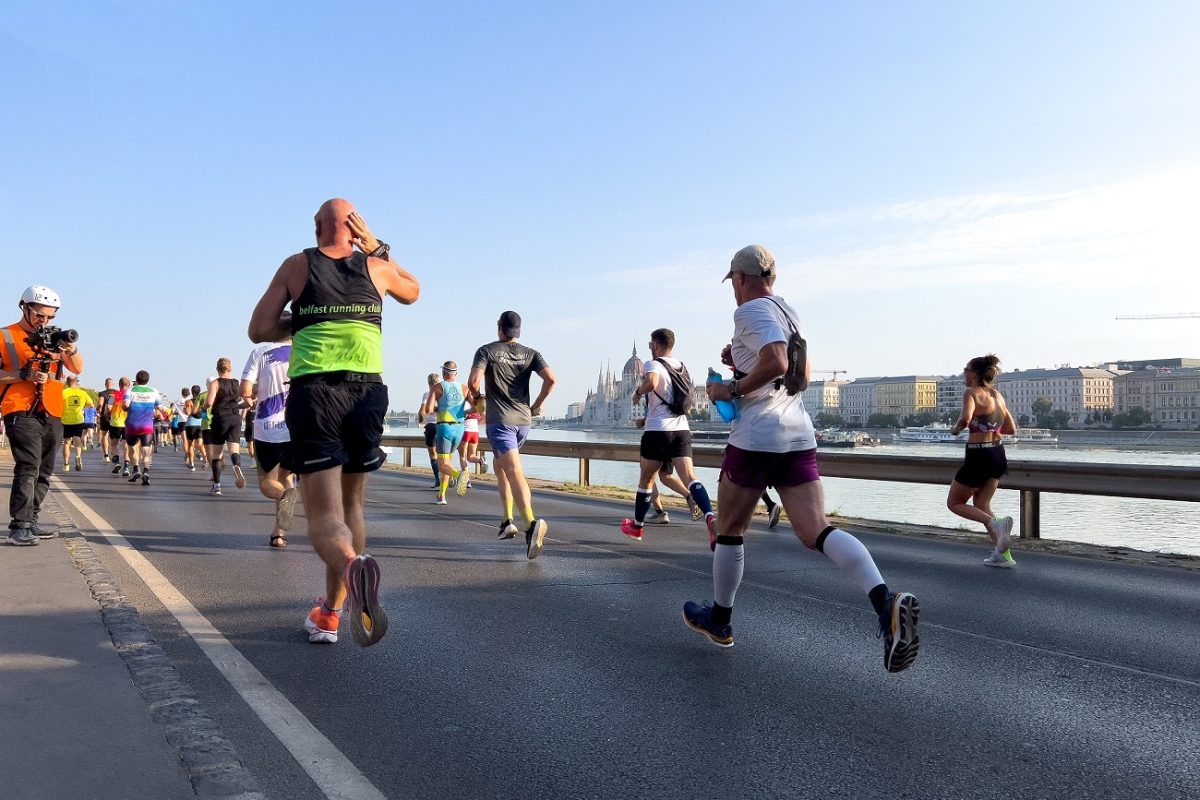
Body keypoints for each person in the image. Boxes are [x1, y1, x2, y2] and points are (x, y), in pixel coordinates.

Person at [687, 245, 920, 673]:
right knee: (816, 531)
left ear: (740, 278)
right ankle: (884, 601)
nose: (733, 289)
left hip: (756, 436)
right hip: (797, 434)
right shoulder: (788, 312)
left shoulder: (749, 310)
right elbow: (799, 376)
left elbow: (776, 361)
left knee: (730, 528)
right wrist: (742, 363)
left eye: (733, 282)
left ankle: (719, 619)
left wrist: (729, 389)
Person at [248, 198, 419, 646]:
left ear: (316, 226)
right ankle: (330, 615)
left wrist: (303, 320)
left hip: (316, 393)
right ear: (355, 228)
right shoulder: (378, 267)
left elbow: (259, 328)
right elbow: (414, 291)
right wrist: (378, 247)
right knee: (352, 506)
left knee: (324, 516)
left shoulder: (296, 265)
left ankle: (351, 568)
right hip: (368, 393)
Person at [467, 310, 556, 558]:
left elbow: (473, 382)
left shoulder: (486, 351)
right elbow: (551, 379)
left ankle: (530, 524)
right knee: (501, 467)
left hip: (501, 422)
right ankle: (507, 521)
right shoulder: (531, 353)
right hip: (523, 422)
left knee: (514, 471)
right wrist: (536, 404)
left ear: (499, 327)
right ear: (519, 330)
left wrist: (477, 399)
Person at [0, 285, 84, 544]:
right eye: (39, 315)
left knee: (45, 470)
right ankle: (20, 527)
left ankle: (32, 520)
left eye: (50, 317)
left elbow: (77, 369)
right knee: (28, 466)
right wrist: (24, 375)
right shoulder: (5, 336)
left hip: (52, 409)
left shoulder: (56, 339)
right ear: (24, 308)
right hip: (19, 407)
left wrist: (70, 348)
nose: (44, 321)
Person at [620, 328, 715, 542]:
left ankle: (637, 527)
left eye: (650, 345)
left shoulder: (652, 364)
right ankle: (710, 517)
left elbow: (652, 383)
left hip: (657, 432)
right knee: (690, 477)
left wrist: (637, 393)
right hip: (681, 430)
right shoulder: (682, 366)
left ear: (655, 345)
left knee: (646, 480)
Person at [948, 354, 1018, 567]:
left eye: (966, 370)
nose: (964, 374)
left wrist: (955, 429)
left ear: (975, 374)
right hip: (997, 454)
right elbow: (1011, 429)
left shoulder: (970, 393)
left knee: (955, 503)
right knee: (981, 505)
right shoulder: (997, 396)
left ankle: (995, 524)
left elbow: (965, 418)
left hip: (978, 456)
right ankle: (1003, 556)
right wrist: (990, 429)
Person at [241, 338, 297, 547]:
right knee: (287, 476)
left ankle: (284, 495)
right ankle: (279, 533)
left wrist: (251, 395)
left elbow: (245, 390)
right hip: (297, 425)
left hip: (268, 427)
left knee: (267, 483)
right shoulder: (304, 347)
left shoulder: (261, 352)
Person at [422, 361, 469, 505]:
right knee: (447, 462)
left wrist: (442, 409)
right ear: (456, 373)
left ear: (443, 372)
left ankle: (459, 476)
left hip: (445, 428)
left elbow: (428, 409)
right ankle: (441, 496)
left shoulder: (437, 387)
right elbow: (475, 408)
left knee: (442, 464)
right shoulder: (464, 388)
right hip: (459, 429)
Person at [206, 358, 246, 495]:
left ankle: (217, 485)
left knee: (217, 454)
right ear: (230, 369)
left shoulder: (215, 383)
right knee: (234, 450)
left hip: (220, 418)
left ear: (217, 369)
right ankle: (236, 465)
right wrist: (237, 406)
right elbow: (249, 403)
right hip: (235, 418)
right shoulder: (237, 383)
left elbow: (209, 402)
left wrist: (203, 407)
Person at [123, 370, 163, 485]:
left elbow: (125, 405)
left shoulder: (130, 390)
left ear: (136, 379)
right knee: (146, 449)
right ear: (148, 380)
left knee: (132, 448)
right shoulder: (154, 391)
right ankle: (146, 471)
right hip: (147, 425)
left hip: (132, 424)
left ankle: (136, 468)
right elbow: (160, 407)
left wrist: (126, 407)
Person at [60, 375, 93, 472]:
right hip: (78, 419)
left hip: (65, 419)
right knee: (77, 439)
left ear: (67, 382)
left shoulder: (63, 392)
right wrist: (83, 407)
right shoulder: (83, 393)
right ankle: (78, 456)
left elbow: (58, 404)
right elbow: (91, 404)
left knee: (67, 442)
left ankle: (66, 464)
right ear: (77, 382)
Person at [419, 372, 440, 488]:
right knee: (445, 454)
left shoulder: (427, 394)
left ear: (428, 383)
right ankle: (448, 474)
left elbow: (422, 412)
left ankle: (438, 479)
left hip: (431, 426)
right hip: (444, 425)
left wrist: (421, 417)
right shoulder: (443, 394)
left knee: (433, 454)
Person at [108, 376, 131, 476]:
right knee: (126, 445)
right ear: (129, 385)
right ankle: (126, 467)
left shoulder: (112, 395)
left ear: (119, 385)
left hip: (115, 423)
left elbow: (108, 408)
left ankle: (117, 462)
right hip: (128, 423)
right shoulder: (131, 395)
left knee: (114, 444)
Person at [183, 384, 204, 470]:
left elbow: (187, 413)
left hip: (190, 424)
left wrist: (185, 410)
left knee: (190, 444)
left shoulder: (188, 401)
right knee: (199, 443)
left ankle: (192, 464)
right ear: (199, 392)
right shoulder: (202, 401)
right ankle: (202, 457)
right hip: (200, 424)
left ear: (192, 392)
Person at [96, 377, 115, 462]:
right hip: (114, 416)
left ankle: (106, 455)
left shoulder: (102, 393)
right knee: (113, 437)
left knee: (104, 435)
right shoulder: (116, 393)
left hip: (105, 416)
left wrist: (98, 409)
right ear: (113, 384)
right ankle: (114, 453)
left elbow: (100, 404)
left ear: (105, 384)